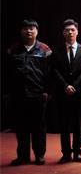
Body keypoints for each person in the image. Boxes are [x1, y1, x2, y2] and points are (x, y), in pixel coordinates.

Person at [8, 19, 52, 166]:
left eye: (32, 28)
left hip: (38, 94)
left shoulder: (45, 49)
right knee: (21, 127)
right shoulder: (13, 49)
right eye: (25, 28)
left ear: (37, 31)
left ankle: (39, 155)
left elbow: (50, 73)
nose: (28, 31)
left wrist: (47, 91)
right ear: (21, 31)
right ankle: (22, 156)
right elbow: (7, 72)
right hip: (19, 94)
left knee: (39, 126)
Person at [52, 19, 81, 164]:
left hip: (79, 92)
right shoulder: (56, 50)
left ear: (77, 32)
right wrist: (65, 86)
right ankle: (66, 154)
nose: (70, 32)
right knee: (64, 124)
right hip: (62, 93)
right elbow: (54, 70)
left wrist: (73, 85)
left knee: (77, 124)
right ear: (63, 33)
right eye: (67, 30)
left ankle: (77, 153)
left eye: (72, 30)